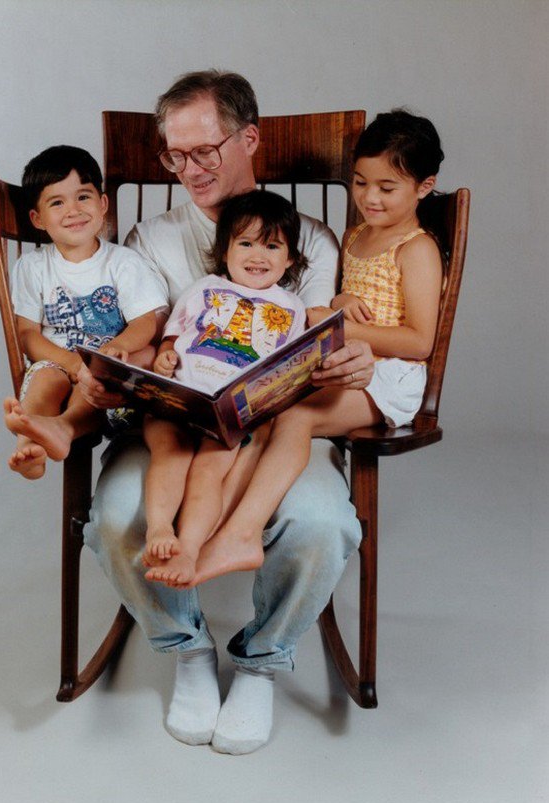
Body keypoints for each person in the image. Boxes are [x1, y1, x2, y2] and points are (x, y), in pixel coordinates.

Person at [78, 70, 375, 755]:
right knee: (121, 518)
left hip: (274, 430)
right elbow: (150, 335)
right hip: (174, 432)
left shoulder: (314, 245)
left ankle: (263, 662)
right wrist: (141, 365)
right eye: (174, 156)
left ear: (249, 139)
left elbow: (323, 340)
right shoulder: (152, 240)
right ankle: (185, 647)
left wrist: (350, 360)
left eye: (205, 150)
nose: (190, 169)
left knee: (322, 523)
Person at [197, 110, 445, 584]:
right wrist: (341, 301)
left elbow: (419, 341)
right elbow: (354, 302)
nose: (369, 198)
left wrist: (336, 324)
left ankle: (243, 532)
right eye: (359, 183)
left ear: (424, 185)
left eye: (386, 188)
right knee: (266, 408)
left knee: (294, 414)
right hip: (347, 364)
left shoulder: (417, 249)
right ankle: (215, 525)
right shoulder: (357, 235)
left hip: (391, 377)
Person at [143, 189, 309, 587]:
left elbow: (288, 366)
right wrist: (165, 353)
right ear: (225, 252)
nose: (258, 255)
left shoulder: (290, 307)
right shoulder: (204, 288)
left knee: (206, 473)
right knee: (170, 453)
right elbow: (174, 332)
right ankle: (159, 529)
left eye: (272, 246)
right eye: (246, 243)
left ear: (289, 259)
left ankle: (188, 549)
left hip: (231, 414)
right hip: (179, 398)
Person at [3, 145, 167, 479]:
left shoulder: (123, 262)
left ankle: (63, 428)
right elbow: (28, 334)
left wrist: (113, 351)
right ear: (37, 218)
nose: (73, 210)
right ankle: (28, 448)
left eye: (83, 197)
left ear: (103, 204)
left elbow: (145, 322)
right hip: (58, 362)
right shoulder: (33, 267)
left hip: (107, 375)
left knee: (94, 380)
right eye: (57, 202)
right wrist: (73, 364)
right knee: (46, 377)